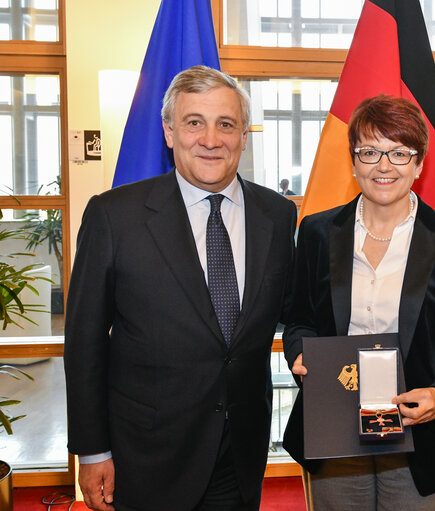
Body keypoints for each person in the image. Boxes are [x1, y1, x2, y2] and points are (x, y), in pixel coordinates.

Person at [64, 65, 296, 511]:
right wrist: (93, 451)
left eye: (226, 124)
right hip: (147, 456)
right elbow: (85, 343)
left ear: (244, 137)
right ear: (169, 132)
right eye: (194, 123)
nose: (211, 139)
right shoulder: (114, 217)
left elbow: (292, 310)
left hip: (240, 452)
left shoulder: (277, 215)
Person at [282, 94, 435, 510]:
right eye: (370, 151)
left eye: (399, 153)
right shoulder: (318, 233)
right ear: (353, 160)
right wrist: (302, 356)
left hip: (424, 439)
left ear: (418, 163)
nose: (383, 165)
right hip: (336, 434)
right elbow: (299, 321)